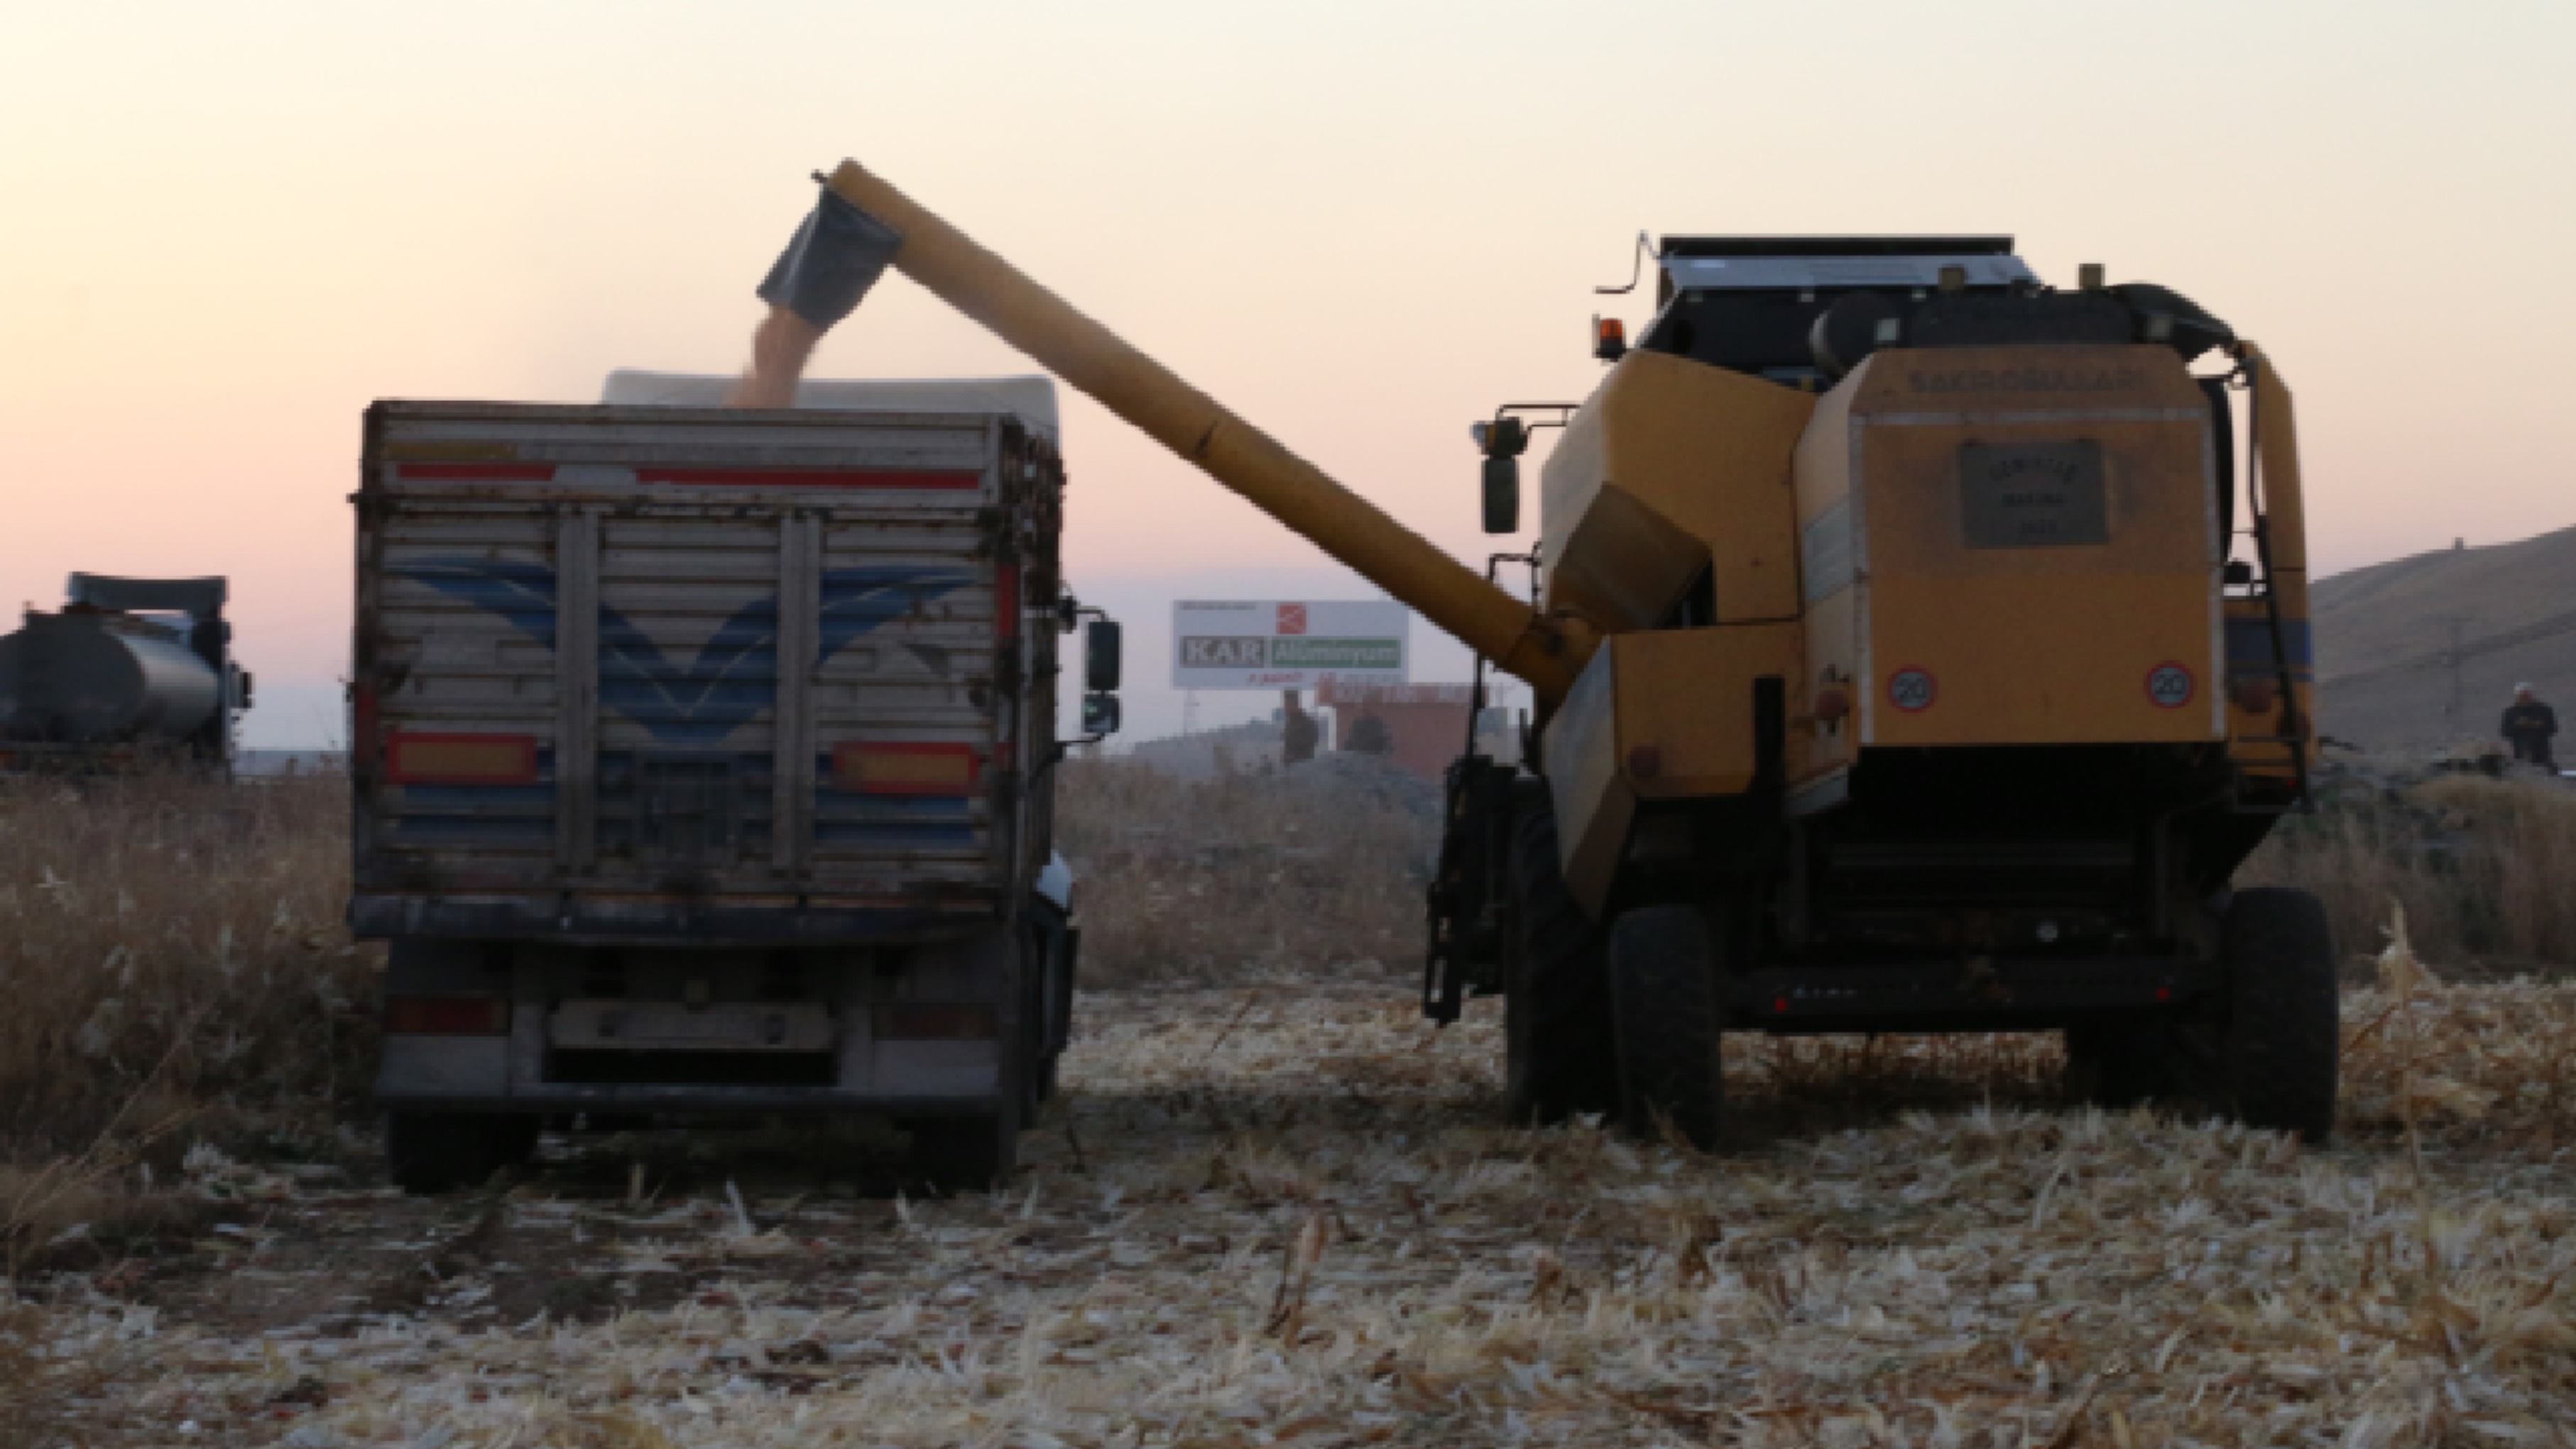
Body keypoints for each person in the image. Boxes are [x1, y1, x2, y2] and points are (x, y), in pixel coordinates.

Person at [2501, 683, 2558, 770]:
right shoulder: (2510, 713)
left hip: (2542, 753)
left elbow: (2553, 729)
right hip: (2520, 753)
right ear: (2517, 697)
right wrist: (2518, 725)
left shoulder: (2545, 710)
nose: (2524, 698)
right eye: (2522, 696)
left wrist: (2539, 725)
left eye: (2527, 695)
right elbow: (2505, 732)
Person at [1280, 689, 1319, 766]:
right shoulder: (1290, 723)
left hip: (1303, 766)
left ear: (1294, 704)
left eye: (1287, 705)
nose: (1285, 708)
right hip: (1289, 767)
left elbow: (1312, 741)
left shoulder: (1308, 723)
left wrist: (1292, 738)